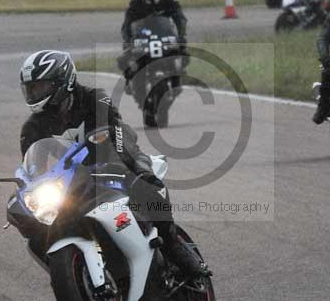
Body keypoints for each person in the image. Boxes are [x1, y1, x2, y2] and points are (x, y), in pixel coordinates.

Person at [18, 50, 207, 277]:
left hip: (117, 156)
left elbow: (116, 135)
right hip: (75, 180)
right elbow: (33, 168)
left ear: (62, 81)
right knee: (39, 223)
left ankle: (173, 243)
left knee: (142, 180)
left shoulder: (94, 99)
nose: (34, 93)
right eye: (30, 88)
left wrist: (111, 157)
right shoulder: (32, 129)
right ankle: (73, 273)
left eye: (40, 87)